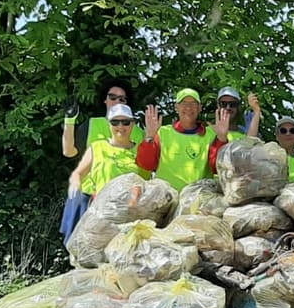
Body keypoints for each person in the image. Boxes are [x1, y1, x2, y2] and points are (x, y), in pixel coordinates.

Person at [59, 81, 144, 244]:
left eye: (122, 99)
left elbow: (143, 170)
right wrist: (69, 121)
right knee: (77, 245)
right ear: (105, 100)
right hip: (88, 195)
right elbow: (69, 152)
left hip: (122, 202)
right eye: (112, 97)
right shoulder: (92, 124)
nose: (117, 101)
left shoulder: (138, 132)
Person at [136, 88, 229, 191]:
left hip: (198, 198)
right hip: (167, 198)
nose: (188, 107)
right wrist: (149, 136)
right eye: (184, 103)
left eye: (193, 103)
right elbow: (146, 165)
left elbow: (218, 168)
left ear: (199, 108)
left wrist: (222, 138)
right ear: (176, 107)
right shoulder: (162, 132)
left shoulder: (211, 134)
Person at [67, 104, 149, 206]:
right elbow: (78, 173)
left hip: (130, 211)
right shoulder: (97, 147)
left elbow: (145, 181)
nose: (120, 126)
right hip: (102, 209)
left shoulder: (141, 150)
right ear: (109, 124)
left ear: (132, 124)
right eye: (115, 122)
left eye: (125, 122)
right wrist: (75, 187)